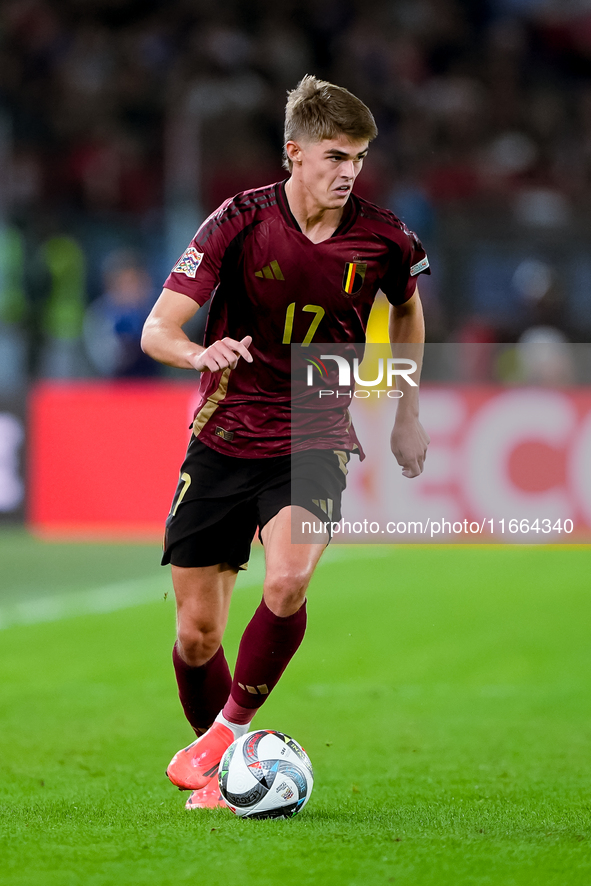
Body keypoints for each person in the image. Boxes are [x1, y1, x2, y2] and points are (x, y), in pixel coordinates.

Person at [141, 74, 430, 810]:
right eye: (335, 155)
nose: (348, 172)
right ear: (293, 153)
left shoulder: (385, 237)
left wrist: (403, 408)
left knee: (287, 579)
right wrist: (196, 354)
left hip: (316, 426)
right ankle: (226, 767)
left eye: (359, 158)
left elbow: (405, 313)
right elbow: (158, 329)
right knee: (199, 634)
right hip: (226, 432)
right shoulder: (238, 222)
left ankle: (221, 738)